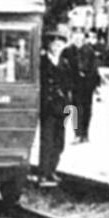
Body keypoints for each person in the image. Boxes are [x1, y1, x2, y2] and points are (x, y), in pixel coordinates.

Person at [38, 26, 72, 186]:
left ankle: (52, 170)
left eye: (60, 44)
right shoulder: (43, 62)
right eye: (55, 44)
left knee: (59, 141)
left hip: (62, 107)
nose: (57, 47)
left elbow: (69, 84)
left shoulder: (65, 63)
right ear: (49, 46)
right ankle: (43, 173)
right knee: (47, 140)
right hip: (48, 106)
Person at [62, 29, 102, 143]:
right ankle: (77, 134)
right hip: (74, 84)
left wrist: (94, 82)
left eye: (80, 39)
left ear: (84, 39)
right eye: (75, 38)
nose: (78, 41)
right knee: (76, 109)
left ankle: (85, 133)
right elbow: (64, 67)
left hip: (87, 84)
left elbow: (95, 68)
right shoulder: (67, 51)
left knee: (87, 109)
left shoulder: (89, 51)